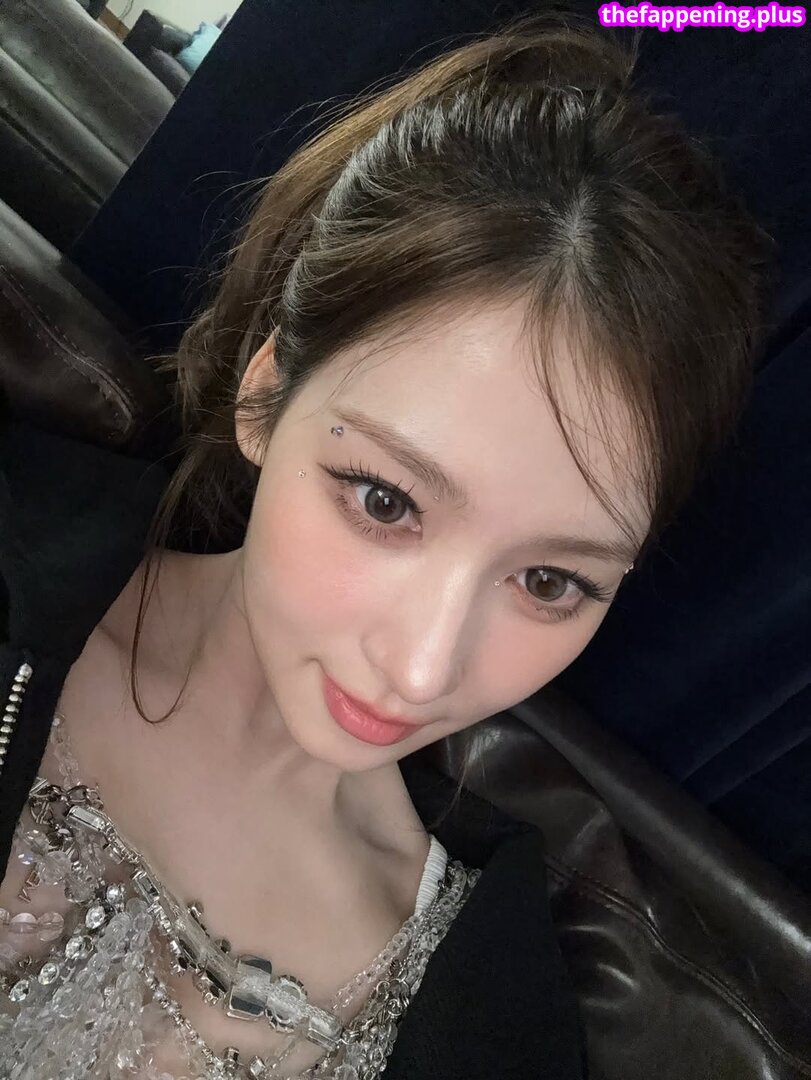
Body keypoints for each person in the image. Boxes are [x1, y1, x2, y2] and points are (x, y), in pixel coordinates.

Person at [0, 11, 774, 1079]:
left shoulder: (476, 1012)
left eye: (549, 580)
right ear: (265, 393)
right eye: (385, 500)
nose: (421, 669)